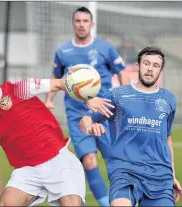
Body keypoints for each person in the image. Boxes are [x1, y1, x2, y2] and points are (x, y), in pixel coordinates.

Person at [0, 60, 86, 206]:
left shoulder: (19, 89)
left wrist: (89, 99)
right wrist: (2, 197)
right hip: (27, 171)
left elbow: (60, 83)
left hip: (59, 161)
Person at [45, 6, 129, 206]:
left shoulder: (105, 48)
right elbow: (56, 77)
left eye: (85, 21)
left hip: (106, 112)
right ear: (73, 24)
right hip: (76, 114)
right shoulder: (63, 50)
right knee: (89, 161)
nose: (81, 25)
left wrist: (126, 98)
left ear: (91, 24)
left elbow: (122, 71)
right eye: (78, 21)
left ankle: (126, 198)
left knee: (114, 162)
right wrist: (48, 100)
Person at [80, 46, 182, 206]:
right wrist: (90, 127)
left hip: (160, 177)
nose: (150, 69)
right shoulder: (118, 95)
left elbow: (167, 139)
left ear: (161, 71)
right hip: (124, 172)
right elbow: (85, 119)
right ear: (138, 66)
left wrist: (172, 175)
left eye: (156, 65)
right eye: (146, 63)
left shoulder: (169, 99)